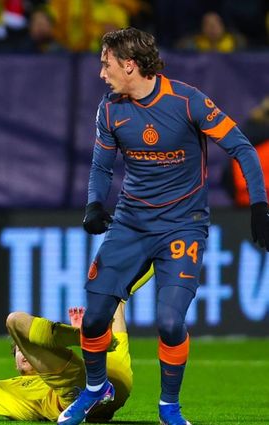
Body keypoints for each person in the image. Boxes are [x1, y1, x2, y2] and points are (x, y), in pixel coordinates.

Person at [58, 27, 269, 425]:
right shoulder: (110, 109)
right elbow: (101, 166)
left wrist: (259, 206)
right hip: (130, 225)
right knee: (94, 317)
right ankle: (96, 388)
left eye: (106, 64)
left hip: (182, 227)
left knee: (170, 322)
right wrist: (93, 205)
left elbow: (242, 148)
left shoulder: (187, 101)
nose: (101, 73)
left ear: (129, 65)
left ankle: (169, 407)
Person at [0, 296, 133, 422]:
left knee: (116, 297)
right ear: (14, 361)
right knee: (14, 321)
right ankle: (87, 339)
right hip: (79, 399)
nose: (23, 353)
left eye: (24, 347)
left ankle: (86, 340)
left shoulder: (59, 366)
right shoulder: (6, 391)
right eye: (19, 349)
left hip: (113, 382)